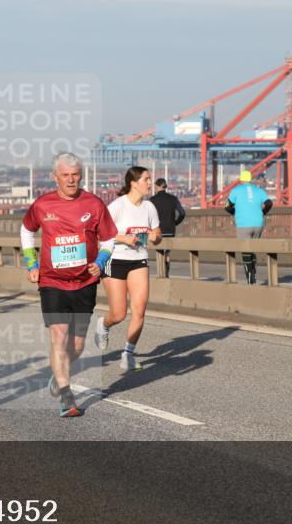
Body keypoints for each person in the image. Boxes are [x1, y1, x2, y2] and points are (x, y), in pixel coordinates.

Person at [21, 152, 118, 417]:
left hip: (85, 281)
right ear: (55, 177)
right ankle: (66, 394)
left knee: (76, 346)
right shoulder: (42, 205)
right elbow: (27, 230)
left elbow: (110, 238)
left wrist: (100, 261)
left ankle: (57, 374)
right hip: (52, 281)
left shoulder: (94, 204)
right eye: (65, 175)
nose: (71, 180)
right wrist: (31, 264)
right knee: (58, 335)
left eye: (75, 175)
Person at [96, 167, 161, 371]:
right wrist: (124, 238)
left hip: (138, 259)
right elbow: (99, 232)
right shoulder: (117, 206)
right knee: (119, 314)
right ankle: (104, 325)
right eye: (146, 179)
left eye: (150, 179)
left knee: (139, 309)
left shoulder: (150, 207)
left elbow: (157, 234)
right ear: (133, 183)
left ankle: (128, 354)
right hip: (114, 259)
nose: (150, 183)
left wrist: (154, 237)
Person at [226, 169, 273, 285]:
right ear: (251, 179)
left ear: (241, 179)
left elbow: (227, 206)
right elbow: (269, 203)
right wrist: (264, 212)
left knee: (245, 251)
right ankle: (253, 270)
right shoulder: (258, 190)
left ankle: (250, 278)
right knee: (253, 248)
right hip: (258, 223)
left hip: (243, 224)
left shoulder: (236, 190)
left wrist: (235, 212)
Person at [150, 177, 185, 277]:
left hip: (158, 230)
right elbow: (182, 213)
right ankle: (166, 273)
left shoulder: (153, 200)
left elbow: (148, 215)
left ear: (157, 186)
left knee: (159, 251)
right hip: (170, 230)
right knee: (167, 253)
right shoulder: (173, 199)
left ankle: (160, 273)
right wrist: (175, 223)